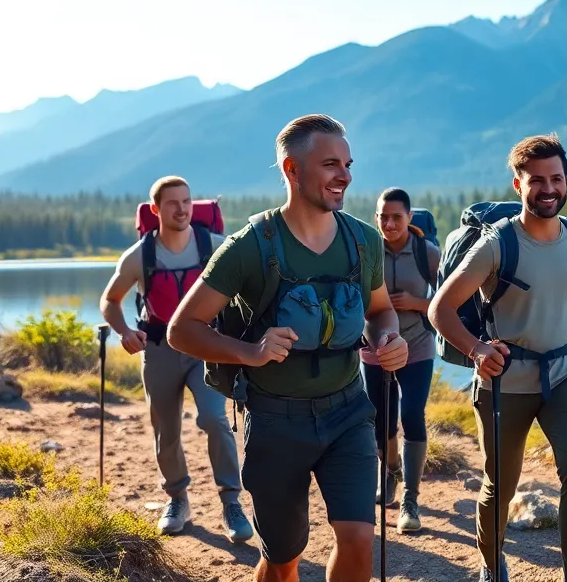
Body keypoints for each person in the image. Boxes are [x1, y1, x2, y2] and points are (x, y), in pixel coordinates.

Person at [168, 114, 409, 582]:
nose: (345, 176)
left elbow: (381, 310)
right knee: (282, 559)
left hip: (348, 412)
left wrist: (388, 338)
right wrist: (250, 352)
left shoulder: (364, 241)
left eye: (348, 164)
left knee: (359, 539)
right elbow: (182, 329)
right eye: (330, 164)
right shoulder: (249, 246)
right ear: (291, 169)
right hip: (276, 420)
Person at [428, 133, 567, 582]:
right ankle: (491, 563)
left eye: (556, 178)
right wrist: (477, 348)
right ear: (518, 185)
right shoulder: (497, 244)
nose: (548, 188)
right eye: (536, 180)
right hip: (505, 382)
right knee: (500, 484)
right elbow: (439, 309)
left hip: (565, 374)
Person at [99, 175, 253, 542]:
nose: (182, 209)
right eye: (172, 203)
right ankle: (177, 499)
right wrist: (124, 331)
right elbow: (110, 300)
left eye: (186, 201)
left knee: (214, 419)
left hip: (206, 348)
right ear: (156, 209)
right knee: (165, 429)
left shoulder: (214, 246)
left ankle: (231, 502)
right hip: (159, 351)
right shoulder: (140, 256)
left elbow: (249, 283)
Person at [363, 186, 440, 533]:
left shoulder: (428, 253)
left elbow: (449, 300)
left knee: (411, 414)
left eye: (396, 217)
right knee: (381, 419)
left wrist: (417, 303)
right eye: (383, 217)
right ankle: (390, 472)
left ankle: (411, 498)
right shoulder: (367, 251)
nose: (389, 224)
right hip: (374, 349)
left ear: (409, 217)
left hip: (417, 346)